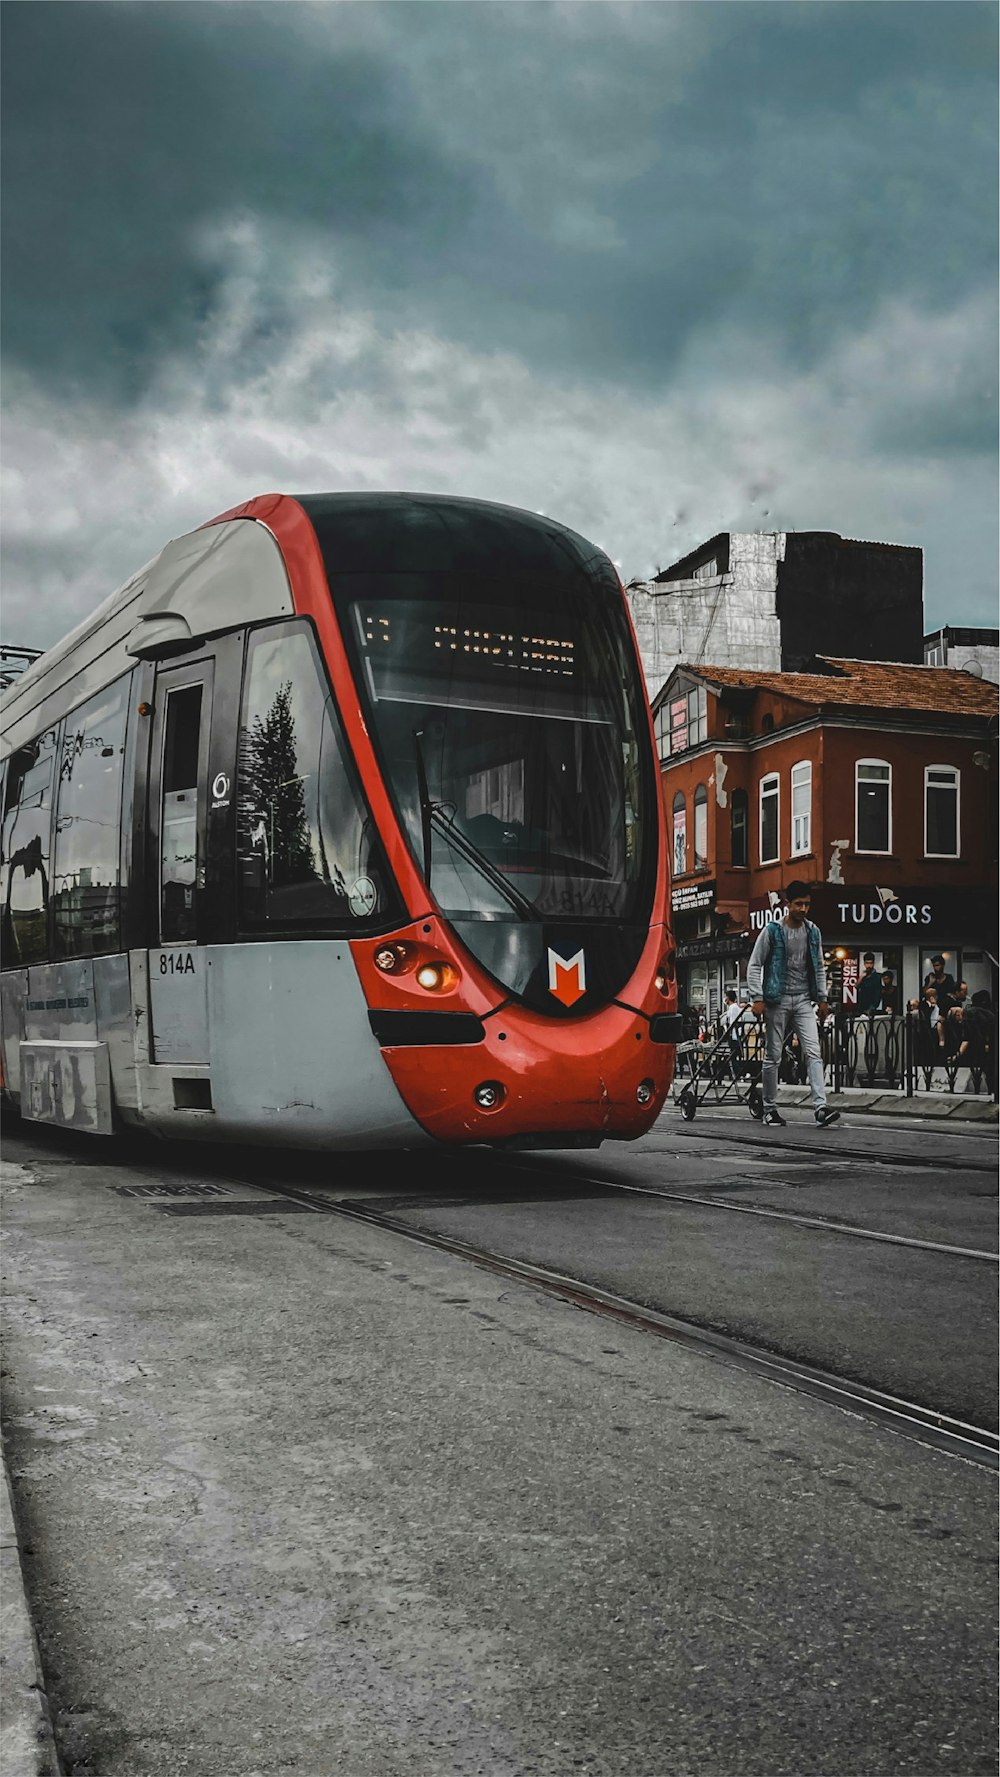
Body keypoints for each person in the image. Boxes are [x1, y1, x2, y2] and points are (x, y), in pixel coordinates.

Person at [746, 879, 840, 1128]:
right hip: (777, 1000)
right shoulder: (772, 931)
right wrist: (757, 997)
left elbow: (819, 966)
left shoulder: (813, 932)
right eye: (799, 904)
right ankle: (769, 1109)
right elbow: (755, 964)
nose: (803, 909)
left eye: (807, 904)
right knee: (773, 1055)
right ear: (788, 904)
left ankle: (820, 1107)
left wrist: (822, 998)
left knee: (813, 1051)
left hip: (802, 1000)